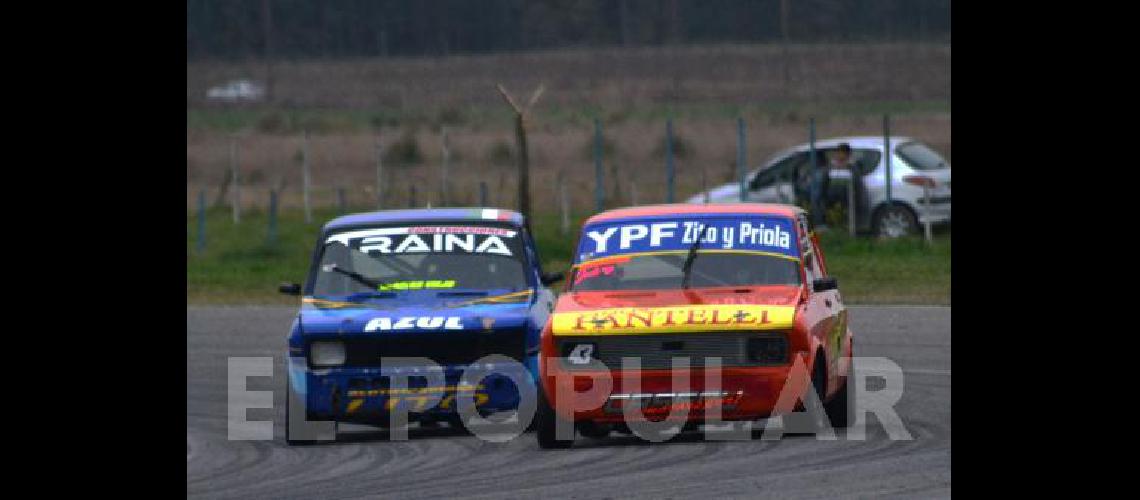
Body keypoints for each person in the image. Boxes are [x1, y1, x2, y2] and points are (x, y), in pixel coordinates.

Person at [828, 143, 868, 229]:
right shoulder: (831, 166)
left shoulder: (853, 166)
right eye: (838, 153)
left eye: (842, 153)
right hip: (835, 199)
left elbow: (857, 183)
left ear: (847, 154)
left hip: (850, 197)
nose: (839, 156)